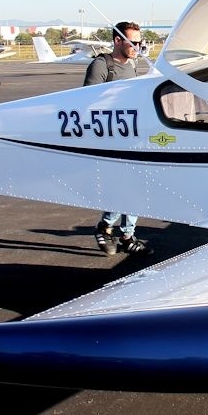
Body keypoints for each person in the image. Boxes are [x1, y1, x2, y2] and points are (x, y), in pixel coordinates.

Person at [84, 21, 153, 256]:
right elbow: (86, 103)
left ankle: (125, 234)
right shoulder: (101, 66)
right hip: (110, 140)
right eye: (133, 42)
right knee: (126, 187)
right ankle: (107, 228)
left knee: (137, 187)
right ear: (117, 40)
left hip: (133, 138)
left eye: (139, 42)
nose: (138, 46)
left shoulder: (132, 66)